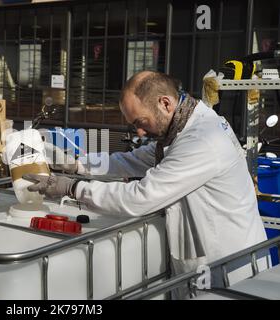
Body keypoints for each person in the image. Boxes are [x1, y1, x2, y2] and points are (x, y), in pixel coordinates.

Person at [23, 71, 268, 297]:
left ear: (165, 103)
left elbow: (140, 197)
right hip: (209, 263)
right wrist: (77, 165)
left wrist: (71, 188)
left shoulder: (202, 140)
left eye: (141, 121)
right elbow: (132, 160)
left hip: (228, 269)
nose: (139, 132)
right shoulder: (181, 129)